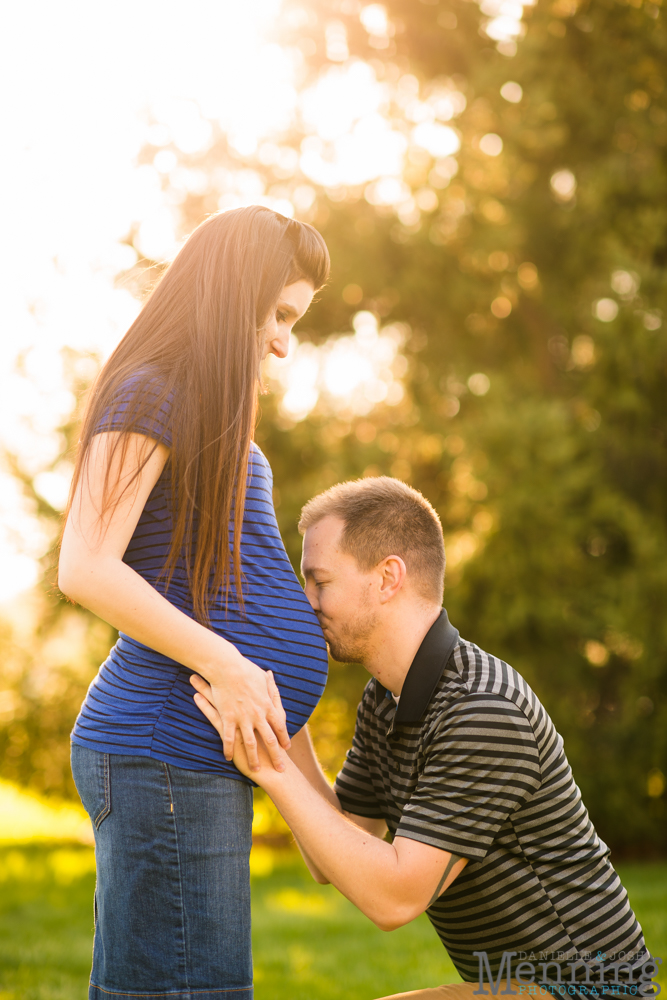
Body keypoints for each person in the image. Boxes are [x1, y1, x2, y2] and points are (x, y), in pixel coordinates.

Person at [192, 476, 652, 1000]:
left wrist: (268, 765)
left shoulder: (483, 709)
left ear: (388, 577)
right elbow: (330, 858)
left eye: (319, 582)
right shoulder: (383, 699)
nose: (306, 603)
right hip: (513, 988)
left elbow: (394, 900)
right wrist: (281, 716)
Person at [59, 206, 331, 1000]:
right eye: (278, 313)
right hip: (161, 745)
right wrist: (231, 666)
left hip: (193, 750)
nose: (284, 341)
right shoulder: (151, 393)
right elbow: (85, 566)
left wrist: (308, 781)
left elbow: (233, 593)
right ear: (230, 291)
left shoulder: (209, 414)